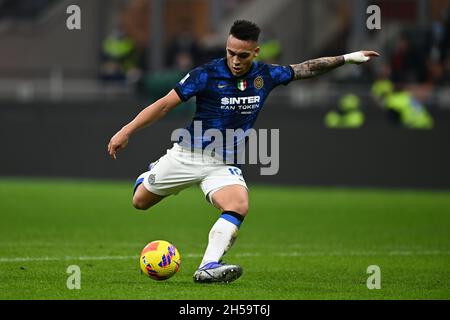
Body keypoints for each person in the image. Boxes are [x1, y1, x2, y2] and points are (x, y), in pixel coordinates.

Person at [107, 20, 379, 283]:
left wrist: (349, 57)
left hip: (221, 163)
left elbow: (306, 68)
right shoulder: (206, 74)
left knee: (238, 204)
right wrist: (126, 131)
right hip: (187, 155)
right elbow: (165, 104)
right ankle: (152, 172)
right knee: (140, 202)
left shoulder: (266, 75)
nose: (235, 60)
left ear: (255, 52)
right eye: (230, 53)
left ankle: (208, 266)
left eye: (243, 55)